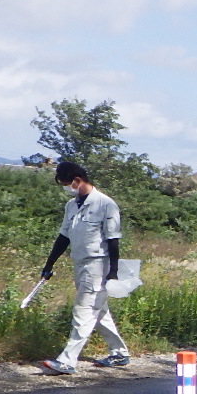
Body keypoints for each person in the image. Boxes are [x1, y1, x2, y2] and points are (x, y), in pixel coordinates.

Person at [37, 161, 131, 375]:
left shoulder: (106, 204)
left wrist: (113, 272)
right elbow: (63, 237)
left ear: (77, 181)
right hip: (79, 264)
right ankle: (120, 353)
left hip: (98, 265)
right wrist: (49, 264)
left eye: (66, 184)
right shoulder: (71, 206)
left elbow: (113, 240)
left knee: (84, 311)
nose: (66, 188)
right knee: (99, 311)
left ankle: (67, 361)